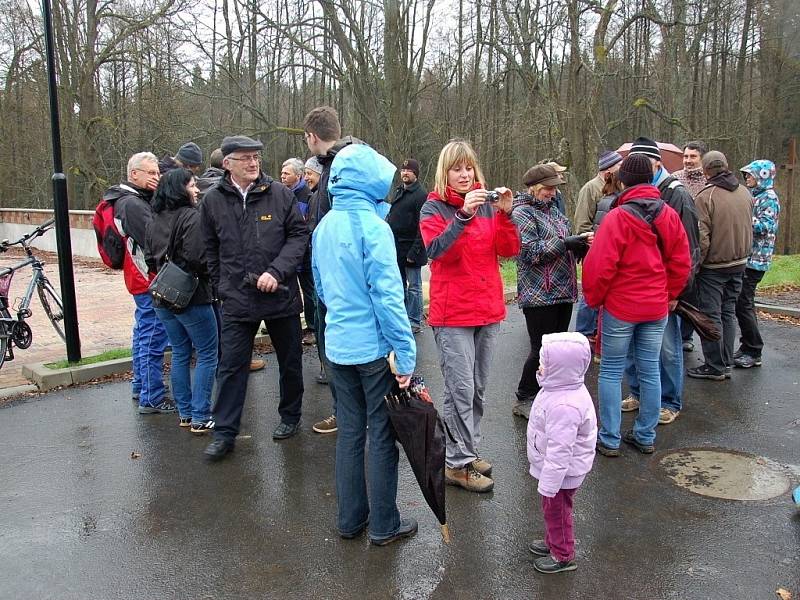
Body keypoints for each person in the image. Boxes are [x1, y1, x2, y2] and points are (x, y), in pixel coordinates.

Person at [312, 142, 418, 546]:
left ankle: (349, 519)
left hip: (337, 347)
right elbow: (389, 299)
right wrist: (405, 355)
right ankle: (383, 525)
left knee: (351, 433)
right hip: (372, 352)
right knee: (381, 435)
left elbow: (321, 289)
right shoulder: (374, 227)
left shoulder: (325, 226)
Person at [419, 139, 520, 492]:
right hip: (453, 313)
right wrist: (462, 215)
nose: (464, 175)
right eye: (456, 168)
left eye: (468, 168)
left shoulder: (488, 206)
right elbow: (437, 252)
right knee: (459, 389)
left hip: (487, 307)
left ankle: (467, 448)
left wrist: (507, 213)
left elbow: (508, 251)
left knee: (477, 388)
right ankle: (456, 464)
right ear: (444, 173)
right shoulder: (433, 209)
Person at [201, 135, 309, 461]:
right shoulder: (213, 200)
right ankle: (224, 433)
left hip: (280, 295)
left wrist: (277, 272)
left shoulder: (279, 193)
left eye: (256, 157)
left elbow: (299, 235)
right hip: (237, 299)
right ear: (227, 163)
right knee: (231, 367)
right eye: (245, 158)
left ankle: (290, 417)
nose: (253, 163)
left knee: (290, 361)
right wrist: (221, 285)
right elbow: (208, 247)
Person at [583, 153, 690, 456]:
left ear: (624, 179)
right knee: (650, 370)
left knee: (612, 371)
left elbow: (599, 266)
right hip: (656, 308)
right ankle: (645, 435)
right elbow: (681, 260)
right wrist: (670, 294)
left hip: (622, 307)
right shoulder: (668, 214)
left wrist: (594, 299)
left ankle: (610, 438)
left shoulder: (617, 217)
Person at [618, 137, 701, 425]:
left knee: (667, 348)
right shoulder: (636, 193)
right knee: (632, 347)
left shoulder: (676, 195)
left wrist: (676, 292)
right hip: (636, 290)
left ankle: (669, 401)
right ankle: (638, 393)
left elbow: (689, 249)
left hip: (665, 289)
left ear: (656, 164)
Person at [510, 164, 590, 420]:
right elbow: (530, 252)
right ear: (533, 187)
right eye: (548, 188)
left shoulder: (554, 211)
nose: (552, 193)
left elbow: (560, 242)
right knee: (540, 349)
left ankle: (547, 394)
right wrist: (565, 243)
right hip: (538, 293)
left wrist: (579, 245)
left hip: (563, 289)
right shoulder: (522, 213)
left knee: (556, 349)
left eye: (554, 188)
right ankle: (524, 396)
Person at [146, 168, 218, 433]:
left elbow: (149, 258)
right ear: (180, 189)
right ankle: (201, 415)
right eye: (191, 185)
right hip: (192, 296)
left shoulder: (153, 219)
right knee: (208, 353)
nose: (197, 189)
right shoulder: (191, 217)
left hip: (162, 294)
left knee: (179, 352)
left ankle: (186, 413)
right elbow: (199, 258)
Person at [303, 106, 361, 434]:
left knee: (335, 344)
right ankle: (354, 413)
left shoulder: (337, 167)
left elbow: (329, 223)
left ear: (312, 137)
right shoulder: (357, 161)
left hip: (335, 274)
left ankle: (345, 415)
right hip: (352, 271)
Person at [104, 152, 172, 413]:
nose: (156, 178)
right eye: (151, 173)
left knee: (144, 332)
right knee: (152, 335)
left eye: (157, 173)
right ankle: (151, 396)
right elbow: (153, 238)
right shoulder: (131, 203)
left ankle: (141, 386)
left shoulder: (131, 199)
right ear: (134, 174)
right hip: (146, 278)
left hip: (141, 277)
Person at [526, 332, 597, 574]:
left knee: (557, 511)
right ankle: (553, 542)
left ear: (560, 367)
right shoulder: (560, 388)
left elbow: (560, 451)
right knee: (553, 510)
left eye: (544, 362)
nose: (540, 366)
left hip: (561, 473)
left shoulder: (564, 405)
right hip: (558, 470)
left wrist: (549, 483)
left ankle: (563, 554)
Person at [688, 151, 753, 380]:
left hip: (714, 267)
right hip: (740, 263)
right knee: (728, 312)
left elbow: (702, 238)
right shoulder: (745, 193)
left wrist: (696, 266)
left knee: (711, 315)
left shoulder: (706, 197)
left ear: (705, 171)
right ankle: (724, 361)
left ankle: (714, 365)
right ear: (726, 166)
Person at [735, 160, 781, 368]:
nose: (747, 178)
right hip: (748, 257)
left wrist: (743, 218)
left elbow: (767, 227)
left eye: (750, 175)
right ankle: (747, 346)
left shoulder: (769, 198)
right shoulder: (755, 196)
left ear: (762, 176)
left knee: (744, 303)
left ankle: (753, 349)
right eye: (746, 174)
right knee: (741, 303)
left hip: (757, 260)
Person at [573, 151, 623, 342]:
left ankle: (596, 330)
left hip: (609, 251)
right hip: (592, 249)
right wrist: (593, 241)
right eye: (619, 165)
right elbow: (581, 222)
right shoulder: (590, 189)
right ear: (610, 168)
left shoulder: (618, 189)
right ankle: (583, 332)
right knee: (590, 293)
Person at [387, 158, 427, 334]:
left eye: (409, 171)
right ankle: (402, 318)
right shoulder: (398, 191)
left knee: (415, 287)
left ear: (415, 174)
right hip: (396, 246)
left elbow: (423, 226)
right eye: (403, 171)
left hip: (412, 248)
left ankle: (415, 320)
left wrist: (414, 251)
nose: (405, 173)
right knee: (399, 285)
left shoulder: (420, 195)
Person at [281, 157, 316, 345]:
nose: (282, 176)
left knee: (309, 290)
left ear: (298, 175)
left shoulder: (307, 196)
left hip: (305, 253)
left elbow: (309, 225)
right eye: (282, 173)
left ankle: (313, 327)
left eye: (287, 173)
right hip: (288, 252)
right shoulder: (283, 194)